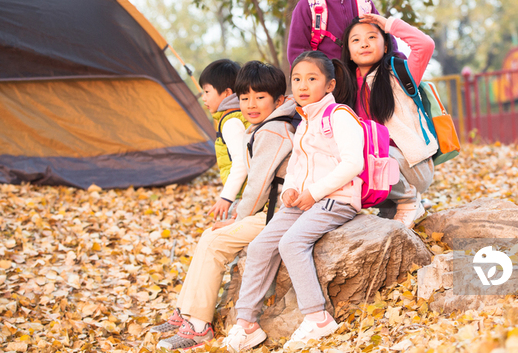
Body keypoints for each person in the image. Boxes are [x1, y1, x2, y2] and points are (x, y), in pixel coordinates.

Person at [221, 51, 364, 352]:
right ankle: (247, 324)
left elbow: (353, 163)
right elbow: (298, 167)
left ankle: (318, 318)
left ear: (330, 85)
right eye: (297, 78)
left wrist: (315, 192)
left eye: (312, 79)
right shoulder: (304, 121)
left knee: (291, 243)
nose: (302, 85)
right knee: (261, 244)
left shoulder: (339, 116)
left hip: (336, 199)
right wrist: (294, 190)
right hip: (305, 200)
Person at [151, 61, 297, 351]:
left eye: (260, 97)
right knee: (210, 237)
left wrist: (238, 217)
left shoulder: (274, 131)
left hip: (280, 214)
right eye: (245, 98)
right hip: (269, 211)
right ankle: (187, 313)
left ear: (278, 100)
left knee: (215, 241)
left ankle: (199, 327)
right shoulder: (266, 126)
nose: (251, 105)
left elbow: (257, 187)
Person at [340, 13, 437, 228]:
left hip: (412, 166)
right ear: (349, 52)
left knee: (365, 152)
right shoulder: (345, 87)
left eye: (372, 37)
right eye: (355, 40)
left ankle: (409, 198)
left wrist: (387, 24)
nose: (364, 44)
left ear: (385, 46)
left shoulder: (399, 73)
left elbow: (425, 44)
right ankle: (397, 205)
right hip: (378, 170)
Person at [199, 59, 250, 221]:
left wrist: (226, 197)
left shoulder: (230, 122)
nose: (203, 98)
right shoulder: (241, 115)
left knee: (221, 227)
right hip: (247, 190)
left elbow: (241, 161)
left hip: (243, 194)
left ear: (227, 93)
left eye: (207, 92)